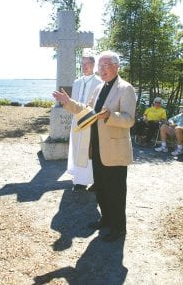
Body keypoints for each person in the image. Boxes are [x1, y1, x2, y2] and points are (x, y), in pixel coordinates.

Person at [53, 51, 136, 242]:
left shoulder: (126, 88)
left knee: (116, 192)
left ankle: (118, 229)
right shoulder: (99, 88)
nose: (102, 69)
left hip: (115, 152)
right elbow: (87, 110)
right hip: (97, 148)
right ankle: (106, 220)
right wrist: (68, 103)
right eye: (100, 66)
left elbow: (129, 120)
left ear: (117, 67)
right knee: (102, 190)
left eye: (106, 65)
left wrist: (110, 116)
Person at [67, 55, 101, 192]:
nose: (84, 66)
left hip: (91, 121)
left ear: (93, 65)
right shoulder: (76, 82)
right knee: (77, 149)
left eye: (87, 64)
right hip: (77, 121)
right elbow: (73, 102)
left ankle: (93, 180)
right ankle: (79, 181)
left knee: (89, 151)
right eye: (82, 64)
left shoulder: (99, 82)